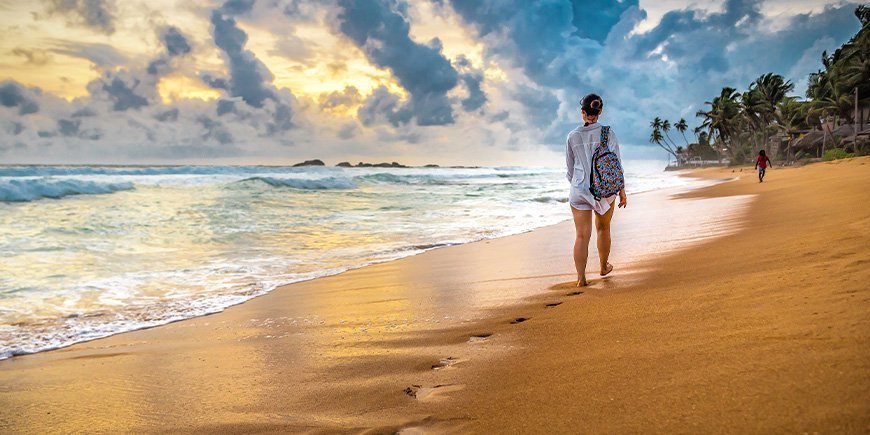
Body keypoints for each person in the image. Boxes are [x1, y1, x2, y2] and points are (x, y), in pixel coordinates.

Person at [565, 93, 627, 287]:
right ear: (600, 112)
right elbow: (616, 164)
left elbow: (569, 169)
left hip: (579, 189)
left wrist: (579, 185)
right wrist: (621, 190)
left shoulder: (572, 136)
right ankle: (603, 266)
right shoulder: (608, 134)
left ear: (583, 112)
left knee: (581, 235)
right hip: (605, 190)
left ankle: (581, 278)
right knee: (603, 228)